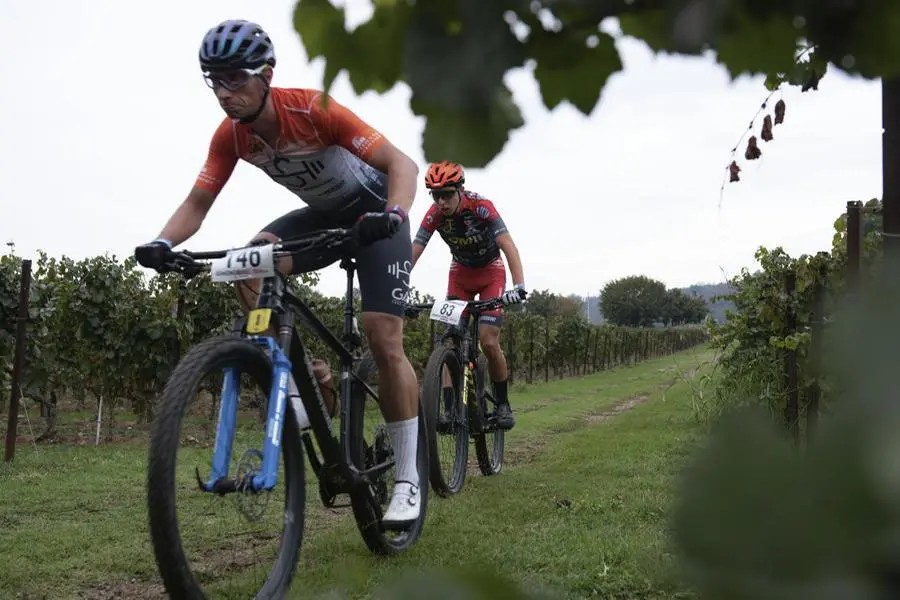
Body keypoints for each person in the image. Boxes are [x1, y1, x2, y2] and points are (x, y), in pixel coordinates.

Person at [133, 19, 422, 528]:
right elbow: (198, 202)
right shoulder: (232, 137)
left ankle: (407, 478)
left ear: (267, 73)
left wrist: (394, 216)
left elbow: (402, 165)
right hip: (323, 217)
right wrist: (161, 242)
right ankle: (305, 387)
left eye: (236, 79)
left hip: (376, 214)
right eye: (214, 81)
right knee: (248, 264)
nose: (225, 93)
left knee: (383, 336)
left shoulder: (314, 109)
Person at [411, 160, 527, 430]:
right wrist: (396, 284)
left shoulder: (481, 206)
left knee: (488, 342)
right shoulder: (434, 215)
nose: (441, 201)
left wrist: (519, 286)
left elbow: (507, 244)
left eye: (447, 194)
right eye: (435, 195)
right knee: (449, 340)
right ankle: (452, 409)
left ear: (461, 189)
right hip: (460, 275)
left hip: (491, 273)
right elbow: (414, 249)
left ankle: (502, 404)